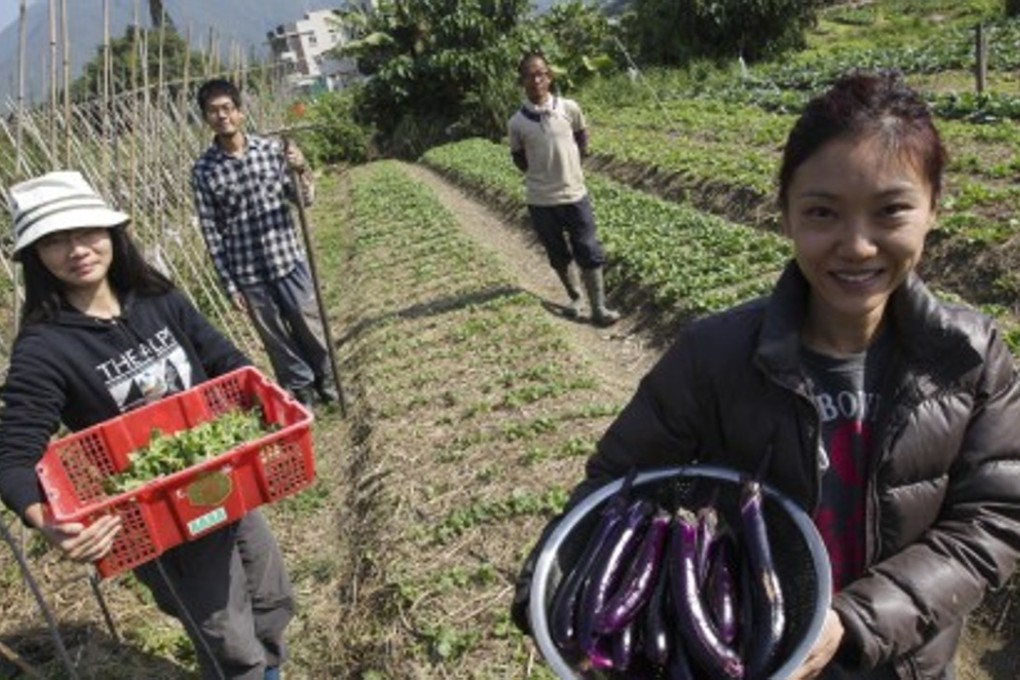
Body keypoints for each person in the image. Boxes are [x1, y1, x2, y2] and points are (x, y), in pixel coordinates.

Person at [511, 71, 1020, 679]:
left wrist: (854, 621)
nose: (856, 246)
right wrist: (551, 593)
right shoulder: (713, 356)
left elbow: (994, 518)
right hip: (753, 650)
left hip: (905, 658)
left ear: (934, 208)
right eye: (823, 212)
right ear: (784, 213)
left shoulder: (969, 355)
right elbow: (615, 486)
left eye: (890, 210)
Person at [0, 170, 295, 680]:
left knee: (271, 596)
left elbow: (223, 359)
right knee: (225, 634)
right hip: (155, 516)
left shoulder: (158, 299)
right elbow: (11, 455)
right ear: (35, 257)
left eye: (86, 230)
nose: (77, 249)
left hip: (226, 479)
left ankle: (274, 671)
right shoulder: (45, 347)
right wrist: (48, 523)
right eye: (54, 241)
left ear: (112, 231)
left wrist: (268, 397)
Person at [191, 77, 338, 408]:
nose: (222, 116)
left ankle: (327, 379)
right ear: (206, 119)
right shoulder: (203, 170)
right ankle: (302, 391)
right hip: (248, 272)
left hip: (286, 257)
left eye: (227, 108)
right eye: (213, 111)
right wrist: (230, 285)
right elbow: (211, 231)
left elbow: (302, 200)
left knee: (308, 322)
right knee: (276, 339)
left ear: (240, 112)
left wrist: (300, 169)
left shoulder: (272, 151)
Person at [508, 53, 621, 327]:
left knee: (588, 247)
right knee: (557, 252)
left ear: (549, 76)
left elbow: (582, 139)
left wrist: (570, 168)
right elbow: (519, 158)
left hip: (574, 194)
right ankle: (576, 297)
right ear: (522, 81)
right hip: (540, 199)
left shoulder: (569, 108)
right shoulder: (517, 123)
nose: (536, 80)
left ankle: (598, 308)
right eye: (530, 75)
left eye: (541, 73)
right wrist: (543, 174)